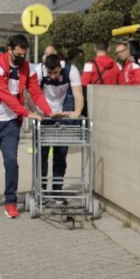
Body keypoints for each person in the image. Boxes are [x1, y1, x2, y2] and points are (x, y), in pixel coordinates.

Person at [0, 34, 51, 217]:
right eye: (18, 54)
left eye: (24, 54)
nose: (21, 58)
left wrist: (48, 112)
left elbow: (36, 92)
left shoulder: (28, 68)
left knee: (11, 162)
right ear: (9, 50)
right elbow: (5, 96)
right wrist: (27, 112)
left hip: (10, 124)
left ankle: (10, 201)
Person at [33, 54, 84, 200]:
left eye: (55, 72)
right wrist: (36, 112)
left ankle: (57, 190)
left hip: (62, 114)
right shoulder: (38, 72)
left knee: (60, 155)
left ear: (60, 67)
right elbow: (31, 94)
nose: (53, 76)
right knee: (42, 155)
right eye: (50, 73)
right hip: (45, 115)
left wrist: (77, 112)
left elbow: (78, 95)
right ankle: (41, 191)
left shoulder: (71, 70)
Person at [81, 43, 120, 116]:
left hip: (95, 103)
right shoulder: (117, 65)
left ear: (94, 48)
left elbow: (84, 86)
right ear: (108, 49)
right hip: (112, 102)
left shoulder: (89, 65)